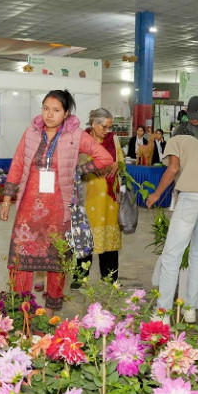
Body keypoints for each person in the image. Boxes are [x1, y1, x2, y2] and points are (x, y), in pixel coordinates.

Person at [0, 90, 115, 315]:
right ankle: (23, 310)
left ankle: (50, 313)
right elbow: (17, 164)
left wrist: (79, 170)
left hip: (59, 209)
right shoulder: (31, 132)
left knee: (56, 260)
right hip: (28, 208)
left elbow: (105, 158)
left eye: (55, 110)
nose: (49, 114)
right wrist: (6, 200)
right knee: (21, 259)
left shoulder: (76, 135)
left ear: (66, 113)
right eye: (45, 108)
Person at [146, 124, 198, 324]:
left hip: (192, 199)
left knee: (172, 256)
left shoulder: (177, 140)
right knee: (197, 255)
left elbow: (173, 168)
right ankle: (190, 310)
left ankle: (162, 315)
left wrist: (156, 194)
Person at [72, 108, 123, 288]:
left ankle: (110, 277)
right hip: (88, 196)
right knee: (85, 238)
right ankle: (80, 277)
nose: (107, 130)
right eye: (104, 126)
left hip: (109, 199)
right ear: (94, 123)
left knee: (109, 241)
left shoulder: (114, 140)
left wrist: (117, 163)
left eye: (110, 126)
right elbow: (74, 166)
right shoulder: (82, 140)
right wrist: (92, 167)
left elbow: (122, 163)